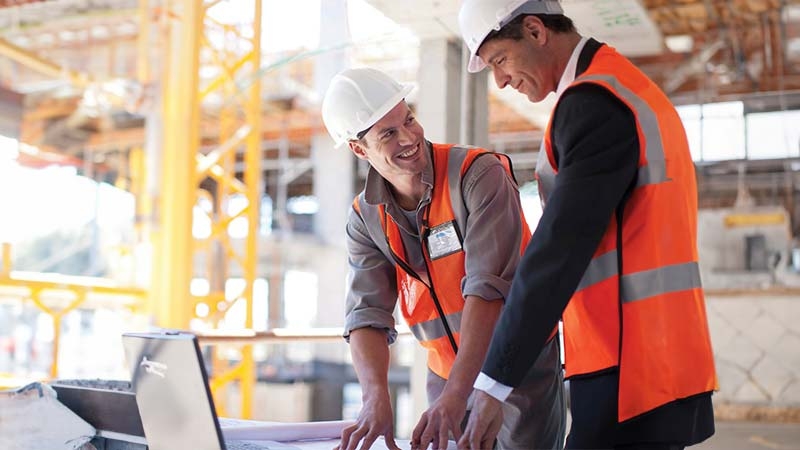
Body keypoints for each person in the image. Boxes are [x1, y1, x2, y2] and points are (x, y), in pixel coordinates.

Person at [455, 1, 719, 449]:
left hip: (629, 366)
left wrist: (494, 383)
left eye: (500, 59)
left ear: (536, 31)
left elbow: (558, 250)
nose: (499, 79)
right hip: (661, 354)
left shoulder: (593, 104)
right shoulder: (627, 88)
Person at [320, 67, 565, 450]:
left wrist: (458, 394)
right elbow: (366, 314)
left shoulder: (478, 174)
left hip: (517, 370)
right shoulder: (365, 217)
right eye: (387, 133)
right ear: (358, 148)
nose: (409, 137)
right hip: (445, 375)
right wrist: (375, 398)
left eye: (409, 120)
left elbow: (488, 291)